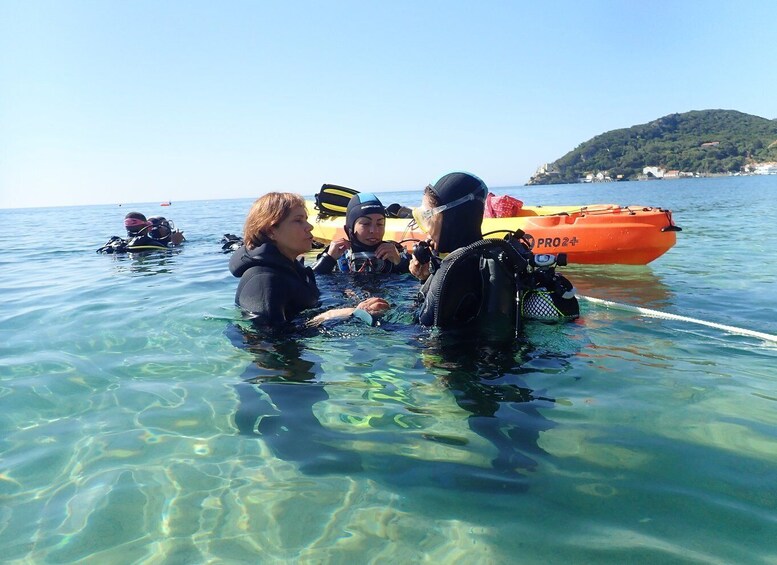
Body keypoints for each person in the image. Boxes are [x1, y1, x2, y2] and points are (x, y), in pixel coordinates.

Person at [409, 172, 579, 330]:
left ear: (450, 218)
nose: (426, 230)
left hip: (465, 361)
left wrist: (383, 315)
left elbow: (422, 332)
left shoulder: (451, 270)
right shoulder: (495, 253)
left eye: (427, 217)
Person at [229, 192, 389, 328]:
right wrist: (332, 315)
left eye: (306, 219)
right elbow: (269, 345)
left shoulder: (291, 270)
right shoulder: (263, 280)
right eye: (298, 220)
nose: (309, 227)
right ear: (271, 231)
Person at [310, 193, 411, 274]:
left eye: (380, 224)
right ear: (349, 229)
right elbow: (309, 283)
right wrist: (328, 260)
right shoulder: (334, 257)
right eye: (366, 223)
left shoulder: (396, 254)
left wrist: (400, 263)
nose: (374, 230)